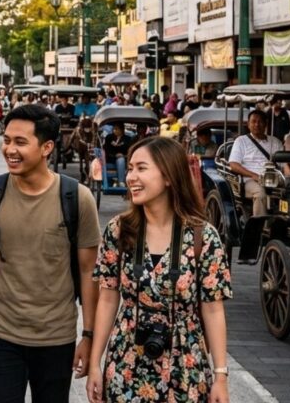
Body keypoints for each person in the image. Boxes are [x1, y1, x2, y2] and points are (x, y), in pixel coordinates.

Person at [0, 105, 100, 403]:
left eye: (20, 142)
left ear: (47, 147)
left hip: (56, 336)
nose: (9, 149)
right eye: (7, 140)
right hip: (0, 333)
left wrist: (88, 336)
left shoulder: (76, 198)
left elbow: (89, 271)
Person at [87, 136, 232, 403]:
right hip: (125, 360)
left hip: (186, 365)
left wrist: (220, 375)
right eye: (130, 168)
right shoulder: (119, 231)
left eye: (141, 168)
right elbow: (107, 299)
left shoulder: (203, 236)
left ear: (168, 176)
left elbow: (213, 308)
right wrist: (95, 363)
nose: (131, 177)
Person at [227, 110, 283, 217]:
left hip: (273, 179)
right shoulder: (241, 141)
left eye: (260, 122)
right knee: (261, 193)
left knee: (289, 191)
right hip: (250, 180)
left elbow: (283, 165)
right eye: (253, 121)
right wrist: (254, 175)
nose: (257, 124)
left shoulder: (275, 142)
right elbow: (233, 164)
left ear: (266, 124)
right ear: (248, 124)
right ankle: (260, 228)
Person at [104, 123, 133, 187]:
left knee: (121, 160)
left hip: (124, 159)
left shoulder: (128, 139)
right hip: (110, 159)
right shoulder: (109, 137)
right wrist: (114, 155)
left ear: (122, 130)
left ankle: (121, 182)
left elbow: (130, 151)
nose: (114, 131)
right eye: (114, 129)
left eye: (116, 129)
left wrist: (123, 155)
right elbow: (106, 149)